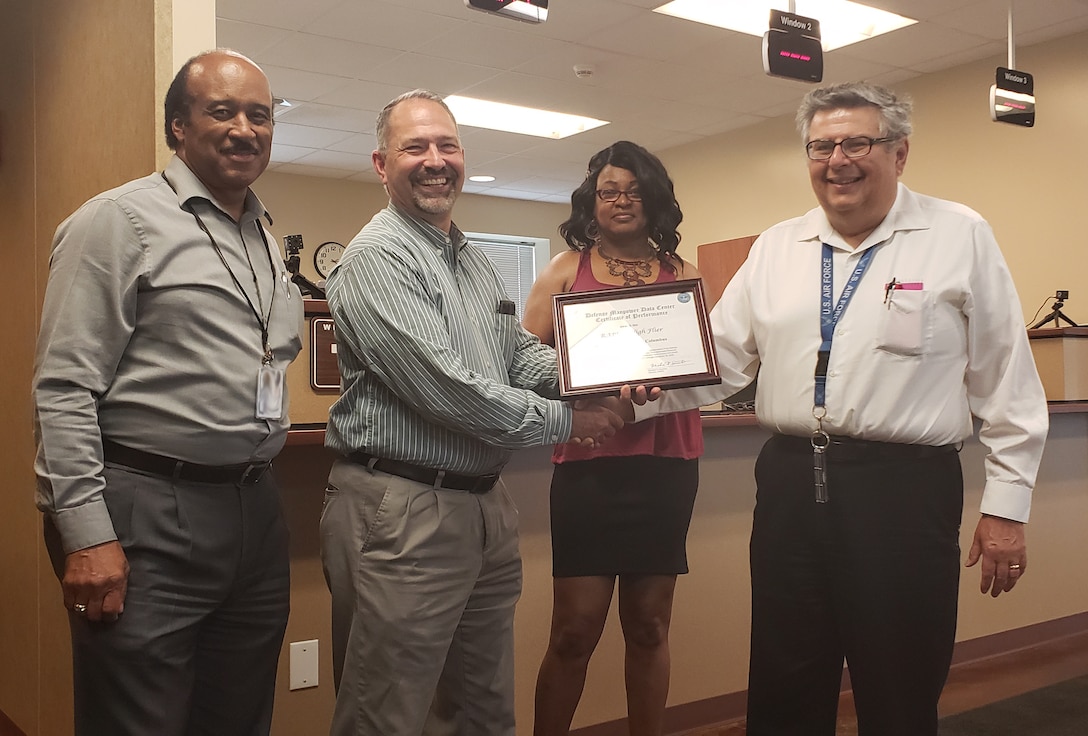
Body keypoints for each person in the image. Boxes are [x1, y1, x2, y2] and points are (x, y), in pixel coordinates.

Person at [633, 82, 1049, 736]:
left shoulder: (957, 234)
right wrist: (632, 393)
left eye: (857, 142)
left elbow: (1007, 380)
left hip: (904, 489)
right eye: (821, 147)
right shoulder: (777, 247)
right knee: (785, 674)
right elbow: (721, 361)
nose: (837, 160)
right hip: (792, 483)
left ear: (900, 152)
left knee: (900, 681)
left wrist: (1007, 507)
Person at [319, 89, 626, 736]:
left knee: (483, 710)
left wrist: (595, 377)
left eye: (447, 145)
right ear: (382, 164)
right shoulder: (376, 260)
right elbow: (449, 390)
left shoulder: (473, 260)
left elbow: (514, 356)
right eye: (415, 147)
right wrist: (574, 422)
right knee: (387, 716)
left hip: (484, 506)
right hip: (402, 510)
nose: (436, 160)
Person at [33, 50, 302, 735]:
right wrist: (86, 536)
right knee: (138, 722)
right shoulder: (118, 221)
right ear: (178, 127)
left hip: (252, 511)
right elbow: (63, 389)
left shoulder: (264, 240)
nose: (245, 128)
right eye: (222, 110)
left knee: (238, 718)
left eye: (260, 115)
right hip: (147, 508)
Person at [522, 141, 703, 736]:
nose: (621, 202)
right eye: (609, 192)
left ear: (655, 200)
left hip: (666, 464)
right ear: (591, 201)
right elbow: (522, 364)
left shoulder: (686, 278)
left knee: (650, 624)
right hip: (589, 466)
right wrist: (578, 392)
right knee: (574, 628)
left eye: (634, 191)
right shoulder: (562, 270)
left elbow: (708, 369)